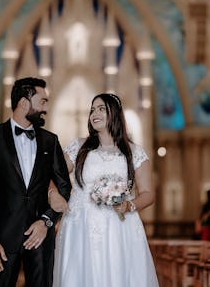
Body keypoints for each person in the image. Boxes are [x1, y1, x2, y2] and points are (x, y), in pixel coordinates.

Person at [0, 77, 72, 287]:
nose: (46, 107)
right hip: (3, 238)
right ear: (24, 103)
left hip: (41, 236)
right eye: (43, 101)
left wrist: (46, 221)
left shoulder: (50, 140)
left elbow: (64, 186)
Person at [53, 93, 159, 287]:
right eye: (92, 109)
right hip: (80, 225)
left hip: (119, 226)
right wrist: (53, 194)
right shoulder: (79, 148)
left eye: (101, 108)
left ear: (115, 113)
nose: (95, 113)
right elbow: (51, 175)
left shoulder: (134, 152)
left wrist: (129, 205)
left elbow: (148, 193)